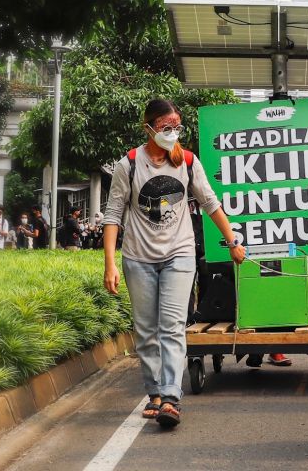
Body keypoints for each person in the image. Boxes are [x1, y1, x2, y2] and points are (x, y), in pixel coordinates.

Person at [102, 98, 246, 429]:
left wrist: (232, 240)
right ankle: (154, 392)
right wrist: (109, 263)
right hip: (137, 257)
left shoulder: (188, 162)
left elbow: (210, 202)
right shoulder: (129, 165)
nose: (172, 132)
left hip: (179, 254)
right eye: (166, 127)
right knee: (146, 330)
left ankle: (170, 396)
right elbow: (113, 216)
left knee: (170, 325)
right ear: (148, 128)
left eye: (176, 127)